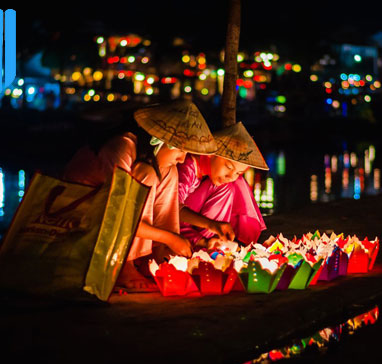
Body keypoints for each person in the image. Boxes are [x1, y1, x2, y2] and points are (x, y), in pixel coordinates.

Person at [111, 99, 218, 291]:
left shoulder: (161, 166)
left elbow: (170, 208)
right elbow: (121, 217)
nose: (182, 158)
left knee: (170, 172)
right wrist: (170, 238)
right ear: (158, 141)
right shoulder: (123, 147)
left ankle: (157, 256)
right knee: (151, 173)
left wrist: (172, 240)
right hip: (87, 214)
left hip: (125, 220)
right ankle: (124, 266)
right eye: (180, 149)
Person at [178, 121, 269, 249]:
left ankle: (212, 242)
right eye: (228, 167)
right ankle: (205, 243)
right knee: (223, 186)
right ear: (211, 153)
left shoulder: (207, 174)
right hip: (174, 224)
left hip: (190, 225)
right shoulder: (187, 167)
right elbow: (173, 208)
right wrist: (211, 224)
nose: (231, 176)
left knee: (232, 185)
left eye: (238, 172)